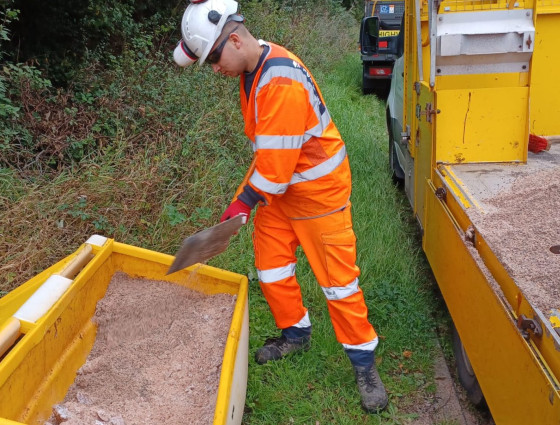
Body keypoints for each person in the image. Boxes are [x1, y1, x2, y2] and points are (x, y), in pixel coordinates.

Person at [173, 0, 388, 413]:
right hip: (280, 193)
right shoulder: (254, 67)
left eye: (214, 58)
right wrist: (243, 200)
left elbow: (275, 167)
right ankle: (295, 334)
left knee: (339, 284)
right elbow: (270, 153)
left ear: (234, 39)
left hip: (318, 196)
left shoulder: (279, 83)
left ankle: (364, 365)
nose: (215, 69)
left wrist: (244, 201)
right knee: (271, 268)